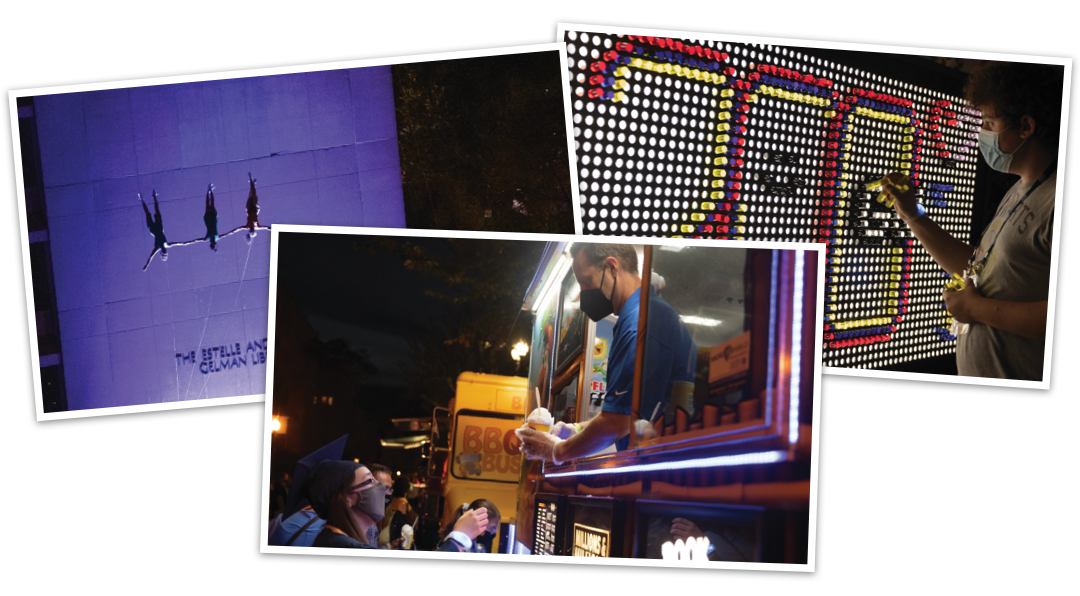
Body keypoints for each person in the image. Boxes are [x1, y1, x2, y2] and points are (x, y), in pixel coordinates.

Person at [879, 61, 1063, 381]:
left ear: (1026, 127)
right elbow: (978, 268)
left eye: (990, 122)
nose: (983, 134)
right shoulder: (1020, 189)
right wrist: (912, 214)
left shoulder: (1059, 199)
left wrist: (975, 310)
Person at [517, 243, 696, 463]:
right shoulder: (641, 315)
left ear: (612, 268)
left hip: (664, 471)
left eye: (585, 281)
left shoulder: (639, 324)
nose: (582, 293)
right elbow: (628, 412)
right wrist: (575, 429)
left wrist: (556, 451)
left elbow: (617, 422)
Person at [307, 460, 486, 551]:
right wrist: (459, 536)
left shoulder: (336, 540)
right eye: (370, 481)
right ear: (347, 498)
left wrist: (388, 550)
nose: (383, 491)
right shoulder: (343, 546)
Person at [141, 190, 168, 263]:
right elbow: (180, 243)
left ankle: (142, 199)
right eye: (166, 252)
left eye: (164, 252)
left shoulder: (158, 247)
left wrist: (147, 265)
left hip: (154, 230)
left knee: (148, 213)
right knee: (155, 211)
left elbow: (151, 256)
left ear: (162, 253)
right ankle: (153, 197)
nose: (165, 250)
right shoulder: (166, 245)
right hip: (158, 227)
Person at [245, 173, 260, 243]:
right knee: (253, 194)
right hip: (254, 207)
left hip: (249, 208)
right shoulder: (256, 225)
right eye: (252, 231)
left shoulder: (248, 226)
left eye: (251, 231)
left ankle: (252, 182)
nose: (252, 230)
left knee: (251, 195)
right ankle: (252, 182)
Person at [203, 183, 219, 251]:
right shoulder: (215, 237)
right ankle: (210, 191)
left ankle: (208, 191)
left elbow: (206, 236)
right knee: (211, 204)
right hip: (213, 218)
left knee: (208, 204)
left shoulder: (209, 238)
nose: (214, 243)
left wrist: (205, 238)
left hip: (209, 219)